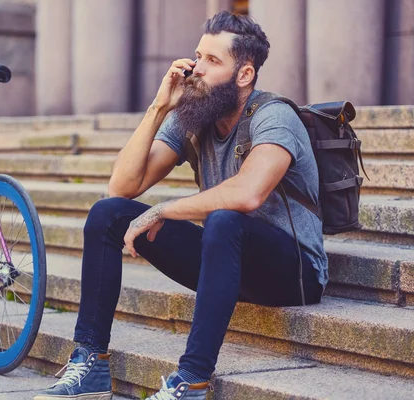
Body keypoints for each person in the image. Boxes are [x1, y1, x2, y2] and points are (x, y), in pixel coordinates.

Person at [34, 10, 326, 400]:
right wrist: (159, 106)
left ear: (245, 75)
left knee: (225, 220)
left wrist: (164, 209)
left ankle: (191, 381)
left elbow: (248, 194)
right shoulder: (195, 113)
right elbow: (122, 185)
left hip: (295, 272)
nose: (195, 69)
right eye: (198, 55)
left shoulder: (274, 115)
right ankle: (91, 363)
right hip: (227, 260)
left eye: (212, 60)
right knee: (107, 215)